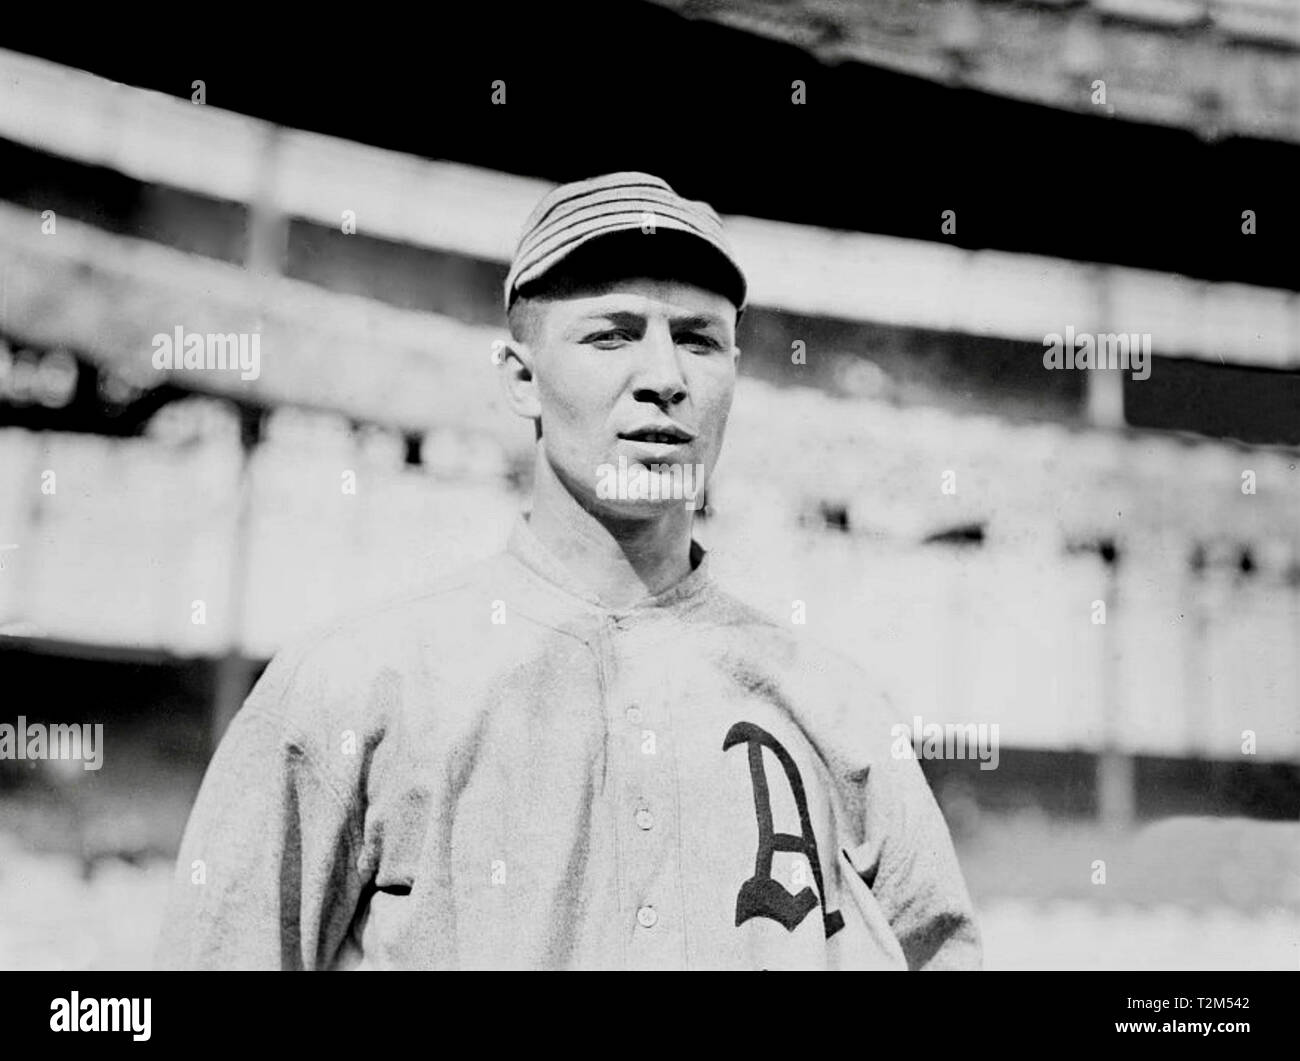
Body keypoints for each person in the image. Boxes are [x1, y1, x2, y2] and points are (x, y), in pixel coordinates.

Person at [157, 172, 982, 970]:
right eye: (612, 334)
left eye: (698, 339)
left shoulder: (833, 706)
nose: (664, 379)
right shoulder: (359, 683)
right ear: (523, 377)